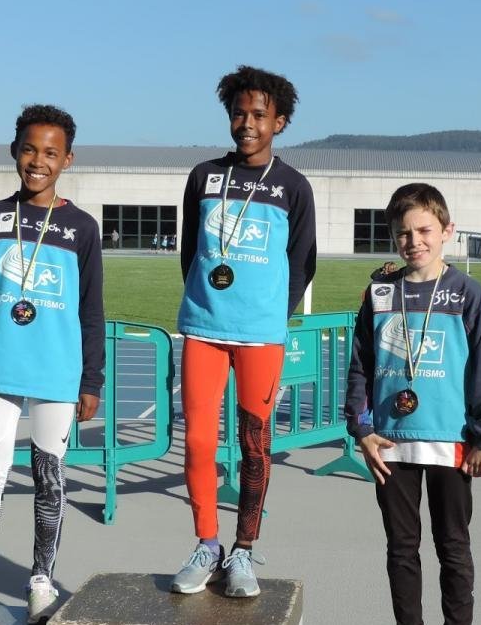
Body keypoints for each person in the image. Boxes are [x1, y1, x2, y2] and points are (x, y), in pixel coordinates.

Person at [0, 104, 105, 625]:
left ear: (67, 160)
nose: (39, 160)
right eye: (30, 149)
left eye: (51, 152)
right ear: (15, 151)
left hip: (57, 374)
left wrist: (91, 379)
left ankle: (40, 579)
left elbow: (90, 308)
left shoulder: (80, 227)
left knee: (48, 481)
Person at [171, 65, 316, 598]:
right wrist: (211, 297)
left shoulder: (293, 186)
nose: (247, 123)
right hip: (203, 329)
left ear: (280, 121)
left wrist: (266, 313)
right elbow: (192, 251)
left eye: (259, 115)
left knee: (255, 447)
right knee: (200, 441)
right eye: (239, 113)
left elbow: (303, 263)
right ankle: (207, 543)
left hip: (260, 336)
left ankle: (243, 553)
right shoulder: (204, 176)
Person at [345, 182, 481, 625]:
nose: (413, 241)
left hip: (450, 441)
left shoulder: (467, 293)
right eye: (403, 233)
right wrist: (360, 428)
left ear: (446, 231)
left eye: (424, 230)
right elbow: (360, 362)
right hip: (390, 443)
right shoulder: (380, 292)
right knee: (401, 549)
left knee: (453, 546)